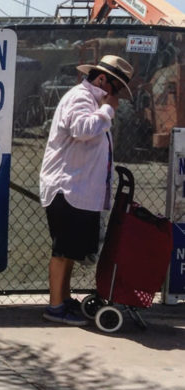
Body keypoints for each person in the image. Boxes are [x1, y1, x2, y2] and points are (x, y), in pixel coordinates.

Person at [39, 54, 134, 325]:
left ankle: (63, 299)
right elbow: (81, 129)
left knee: (69, 250)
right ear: (102, 80)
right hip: (67, 187)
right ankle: (55, 306)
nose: (115, 97)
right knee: (62, 250)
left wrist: (104, 109)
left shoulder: (92, 100)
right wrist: (106, 110)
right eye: (115, 89)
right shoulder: (80, 97)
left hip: (78, 189)